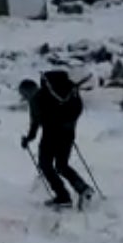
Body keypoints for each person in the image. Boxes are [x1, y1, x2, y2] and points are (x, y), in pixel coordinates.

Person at [19, 70, 93, 208]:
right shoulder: (56, 96)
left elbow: (34, 126)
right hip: (68, 133)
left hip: (51, 135)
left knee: (45, 164)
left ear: (26, 92)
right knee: (62, 165)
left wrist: (28, 139)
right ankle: (83, 189)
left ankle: (63, 197)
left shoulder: (36, 99)